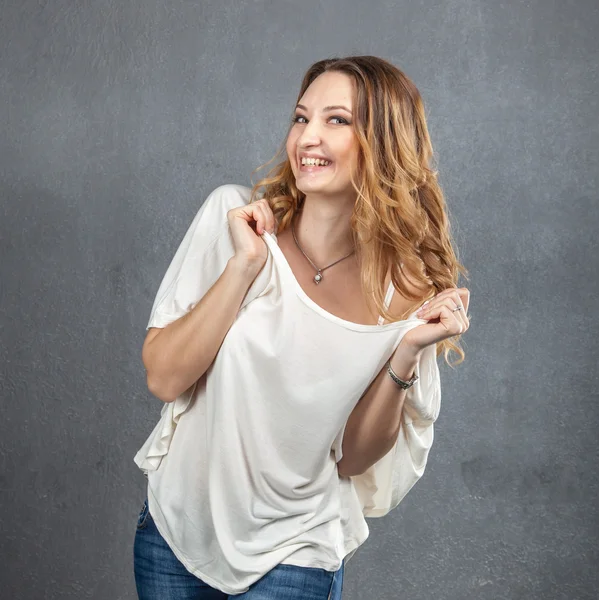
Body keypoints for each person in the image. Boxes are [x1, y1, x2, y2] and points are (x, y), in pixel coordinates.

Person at [132, 55, 471, 599]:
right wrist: (244, 266)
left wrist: (406, 352)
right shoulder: (235, 220)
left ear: (384, 144)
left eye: (337, 120)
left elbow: (355, 458)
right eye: (300, 117)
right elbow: (165, 379)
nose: (307, 137)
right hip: (175, 537)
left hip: (296, 553)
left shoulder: (406, 294)